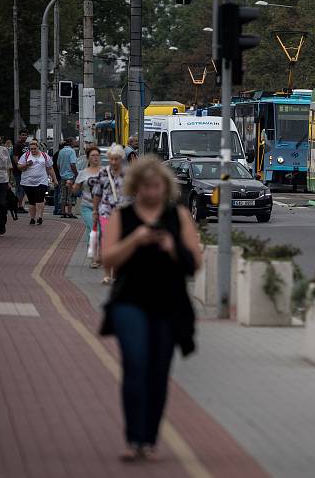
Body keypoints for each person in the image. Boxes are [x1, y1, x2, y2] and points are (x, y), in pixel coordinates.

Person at [99, 156, 201, 461]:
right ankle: (133, 439)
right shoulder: (124, 216)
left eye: (156, 186)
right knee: (135, 365)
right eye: (145, 186)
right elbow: (108, 259)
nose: (151, 192)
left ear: (165, 187)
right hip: (130, 301)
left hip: (169, 304)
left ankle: (150, 439)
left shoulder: (178, 216)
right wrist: (136, 239)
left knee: (158, 372)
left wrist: (173, 248)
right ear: (136, 187)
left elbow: (194, 262)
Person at [93, 144, 129, 284]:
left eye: (116, 159)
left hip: (124, 213)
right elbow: (97, 193)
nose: (113, 162)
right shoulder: (103, 172)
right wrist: (95, 211)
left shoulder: (129, 173)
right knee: (108, 242)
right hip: (106, 212)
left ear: (121, 158)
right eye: (111, 159)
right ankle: (107, 274)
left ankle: (117, 271)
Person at [72, 146, 103, 267]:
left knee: (93, 231)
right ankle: (95, 258)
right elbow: (75, 191)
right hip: (87, 206)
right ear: (88, 158)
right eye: (92, 156)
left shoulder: (105, 172)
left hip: (102, 207)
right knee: (96, 230)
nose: (95, 158)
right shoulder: (83, 173)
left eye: (97, 155)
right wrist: (70, 186)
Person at [17, 139, 58, 225]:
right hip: (27, 182)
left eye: (35, 149)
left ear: (38, 148)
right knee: (32, 201)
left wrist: (54, 179)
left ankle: (39, 217)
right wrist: (27, 164)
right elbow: (19, 167)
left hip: (41, 181)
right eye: (31, 149)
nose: (33, 151)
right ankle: (32, 218)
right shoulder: (26, 155)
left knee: (40, 198)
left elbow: (50, 168)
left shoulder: (44, 155)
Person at [57, 137, 79, 218]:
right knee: (70, 195)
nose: (75, 142)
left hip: (62, 176)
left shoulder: (61, 151)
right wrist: (76, 174)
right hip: (70, 176)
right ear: (71, 143)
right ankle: (69, 212)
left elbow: (58, 164)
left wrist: (61, 172)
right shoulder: (72, 151)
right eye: (74, 141)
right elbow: (72, 164)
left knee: (63, 194)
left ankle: (63, 212)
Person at [12, 129, 29, 212]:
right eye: (22, 135)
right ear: (19, 136)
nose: (24, 136)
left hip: (25, 171)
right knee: (19, 188)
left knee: (23, 189)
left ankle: (20, 206)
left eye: (25, 135)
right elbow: (15, 157)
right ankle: (17, 206)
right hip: (18, 171)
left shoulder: (25, 145)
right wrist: (20, 166)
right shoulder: (17, 145)